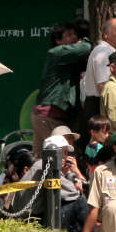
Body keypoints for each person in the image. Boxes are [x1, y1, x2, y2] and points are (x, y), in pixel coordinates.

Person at [32, 22, 91, 157]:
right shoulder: (57, 53)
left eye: (74, 34)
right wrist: (85, 40)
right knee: (61, 155)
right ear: (58, 40)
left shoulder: (70, 59)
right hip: (49, 117)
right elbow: (86, 48)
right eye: (69, 35)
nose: (74, 38)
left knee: (40, 159)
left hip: (45, 117)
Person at [80, 17, 116, 131]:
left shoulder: (110, 52)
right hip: (101, 109)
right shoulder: (104, 53)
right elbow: (103, 87)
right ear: (105, 34)